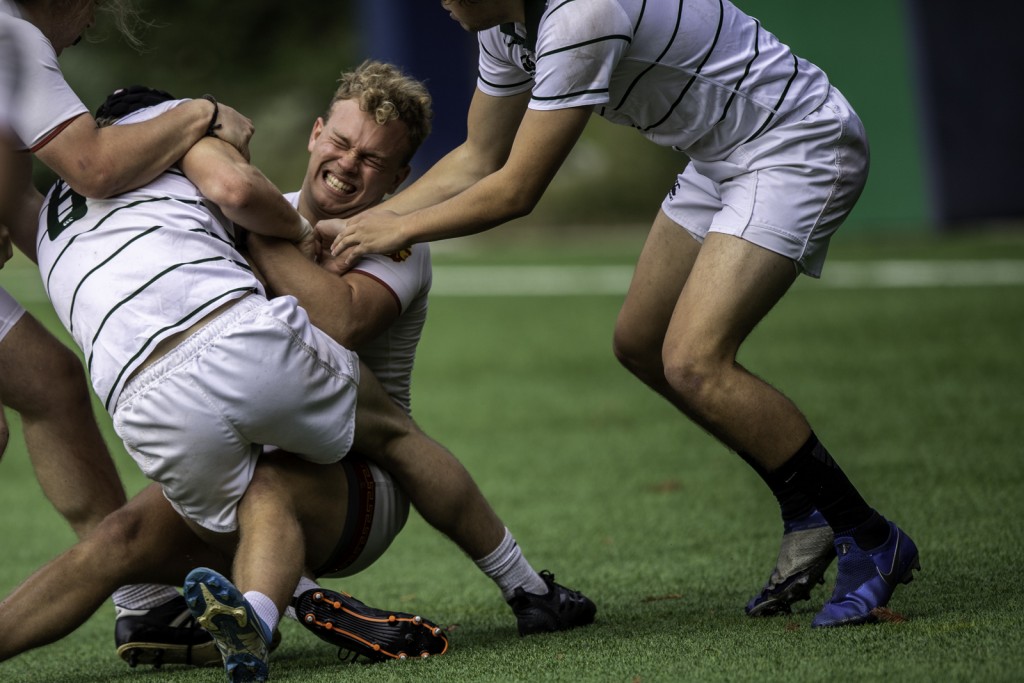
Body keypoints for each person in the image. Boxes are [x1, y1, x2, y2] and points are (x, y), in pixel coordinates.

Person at [326, 0, 920, 628]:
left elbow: (516, 190)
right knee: (641, 343)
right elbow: (479, 155)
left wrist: (386, 233)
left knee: (693, 361)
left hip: (794, 141)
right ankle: (807, 510)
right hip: (717, 158)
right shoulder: (505, 25)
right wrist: (358, 226)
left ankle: (870, 536)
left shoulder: (584, 15)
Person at [34, 76, 591, 682]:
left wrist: (256, 230)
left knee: (281, 480)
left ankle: (522, 588)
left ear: (399, 179)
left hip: (363, 479)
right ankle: (243, 606)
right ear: (315, 134)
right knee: (118, 538)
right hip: (256, 443)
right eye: (343, 142)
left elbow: (342, 319)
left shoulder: (394, 237)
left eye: (373, 158)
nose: (348, 166)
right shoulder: (261, 201)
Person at [0, 0, 257, 647]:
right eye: (93, 12)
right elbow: (95, 166)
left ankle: (144, 602)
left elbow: (20, 206)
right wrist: (200, 112)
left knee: (50, 384)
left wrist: (109, 278)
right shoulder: (12, 34)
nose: (88, 31)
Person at [0, 450, 450, 666]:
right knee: (121, 534)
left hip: (349, 480)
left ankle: (269, 610)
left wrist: (517, 581)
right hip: (246, 459)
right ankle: (286, 599)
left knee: (244, 487)